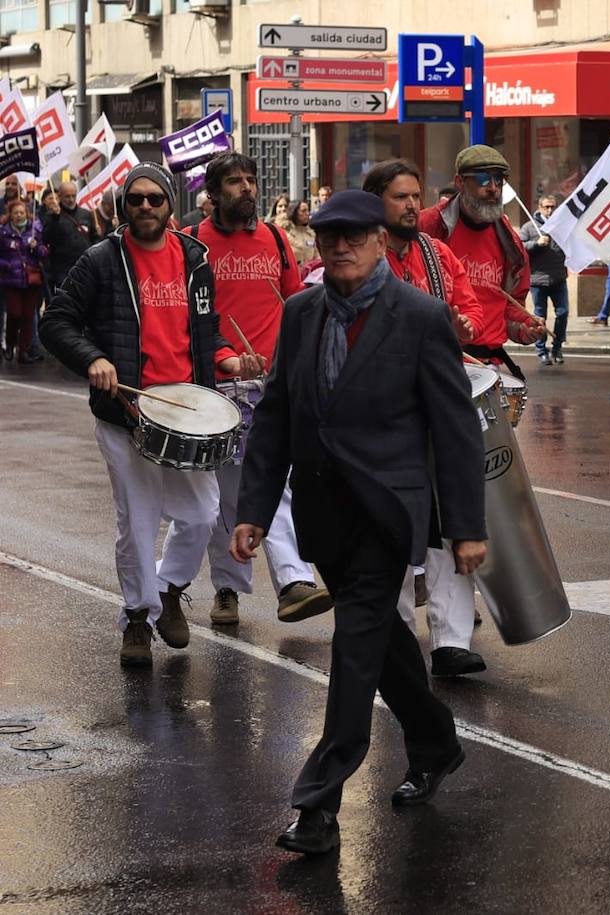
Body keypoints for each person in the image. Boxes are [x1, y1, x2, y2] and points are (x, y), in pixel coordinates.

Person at [231, 190, 485, 855]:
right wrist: (255, 511)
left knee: (354, 643)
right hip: (325, 512)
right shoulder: (300, 313)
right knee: (384, 639)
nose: (339, 246)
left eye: (354, 236)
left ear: (378, 242)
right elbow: (278, 416)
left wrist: (465, 525)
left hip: (389, 509)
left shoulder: (422, 317)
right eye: (328, 235)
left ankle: (317, 803)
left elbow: (455, 432)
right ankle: (436, 741)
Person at [39, 162, 262, 667]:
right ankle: (137, 619)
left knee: (206, 514)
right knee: (137, 521)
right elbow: (57, 322)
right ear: (124, 205)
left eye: (154, 199)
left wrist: (226, 357)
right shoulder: (100, 260)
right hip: (128, 411)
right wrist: (92, 358)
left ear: (168, 206)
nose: (144, 207)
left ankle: (167, 588)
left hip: (187, 408)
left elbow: (206, 330)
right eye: (135, 199)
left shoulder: (193, 258)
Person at [185, 152, 329, 627]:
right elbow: (191, 319)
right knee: (228, 496)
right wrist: (224, 355)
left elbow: (293, 299)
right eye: (234, 181)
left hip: (274, 381)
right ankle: (228, 587)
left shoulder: (273, 238)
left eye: (250, 180)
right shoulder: (191, 244)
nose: (246, 188)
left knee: (278, 480)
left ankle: (293, 581)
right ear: (212, 193)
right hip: (220, 385)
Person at [364, 158, 490, 678]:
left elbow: (473, 311)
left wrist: (464, 324)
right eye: (401, 197)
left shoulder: (438, 255)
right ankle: (392, 642)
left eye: (416, 195)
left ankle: (450, 642)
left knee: (449, 522)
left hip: (437, 404)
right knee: (391, 527)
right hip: (385, 413)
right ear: (377, 204)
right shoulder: (362, 257)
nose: (414, 205)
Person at [417, 144, 543, 379]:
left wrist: (524, 328)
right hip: (435, 359)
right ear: (460, 182)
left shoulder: (510, 242)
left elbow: (510, 306)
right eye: (483, 180)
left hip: (487, 364)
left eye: (498, 180)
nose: (493, 189)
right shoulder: (428, 226)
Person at [520, 194, 569, 366]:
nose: (550, 210)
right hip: (538, 280)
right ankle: (541, 350)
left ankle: (557, 347)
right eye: (547, 207)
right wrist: (536, 243)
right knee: (539, 316)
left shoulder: (561, 226)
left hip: (558, 278)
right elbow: (520, 247)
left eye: (553, 207)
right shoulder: (529, 227)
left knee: (563, 313)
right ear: (540, 208)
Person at [0, 196, 48, 363]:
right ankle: (10, 344)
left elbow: (44, 253)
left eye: (22, 212)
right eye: (16, 213)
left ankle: (24, 351)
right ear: (10, 215)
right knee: (14, 313)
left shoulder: (34, 230)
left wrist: (37, 248)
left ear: (27, 214)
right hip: (11, 280)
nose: (19, 215)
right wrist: (6, 265)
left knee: (28, 316)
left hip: (31, 279)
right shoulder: (3, 232)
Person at [41, 181, 96, 291]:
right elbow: (46, 239)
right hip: (62, 270)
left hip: (85, 267)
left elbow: (94, 238)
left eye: (73, 196)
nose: (71, 199)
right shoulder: (51, 216)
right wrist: (55, 219)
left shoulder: (86, 214)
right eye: (67, 196)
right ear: (60, 196)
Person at [279, 198, 316, 265]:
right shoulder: (284, 232)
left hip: (310, 273)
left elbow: (317, 256)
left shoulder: (311, 234)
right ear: (294, 212)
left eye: (308, 210)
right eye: (303, 211)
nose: (307, 213)